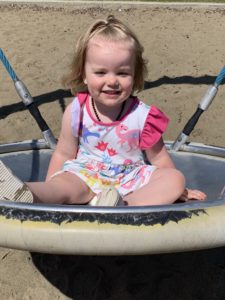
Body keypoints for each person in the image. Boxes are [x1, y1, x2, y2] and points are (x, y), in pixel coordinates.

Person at [0, 15, 206, 206]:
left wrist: (178, 189)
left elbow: (159, 159)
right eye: (100, 72)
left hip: (130, 180)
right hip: (86, 175)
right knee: (62, 185)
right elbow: (63, 153)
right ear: (84, 75)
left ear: (135, 74)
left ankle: (123, 206)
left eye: (122, 73)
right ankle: (26, 193)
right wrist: (52, 185)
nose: (112, 81)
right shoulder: (76, 111)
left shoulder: (143, 116)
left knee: (174, 178)